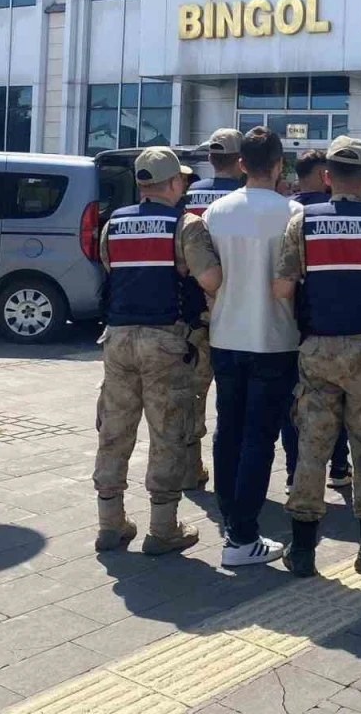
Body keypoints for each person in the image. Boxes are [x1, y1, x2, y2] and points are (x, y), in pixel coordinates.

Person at [273, 135, 361, 578]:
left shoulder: (302, 223)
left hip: (316, 348)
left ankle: (302, 551)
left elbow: (283, 287)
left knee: (312, 447)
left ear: (328, 176)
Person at [94, 148, 221, 556]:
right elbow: (211, 280)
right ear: (173, 183)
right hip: (165, 340)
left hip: (117, 339)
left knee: (114, 431)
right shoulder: (186, 225)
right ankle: (163, 529)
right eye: (181, 180)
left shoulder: (114, 223)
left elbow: (111, 270)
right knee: (167, 432)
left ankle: (110, 524)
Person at [201, 127, 300, 567]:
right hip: (276, 339)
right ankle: (242, 536)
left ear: (241, 164)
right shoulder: (293, 213)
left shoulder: (215, 212)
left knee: (229, 431)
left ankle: (231, 523)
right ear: (279, 165)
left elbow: (207, 278)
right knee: (260, 437)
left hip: (225, 336)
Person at [280, 147, 352, 492]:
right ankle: (338, 466)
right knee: (338, 401)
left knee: (296, 403)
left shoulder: (289, 212)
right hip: (337, 324)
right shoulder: (338, 212)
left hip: (292, 325)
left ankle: (295, 474)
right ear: (325, 175)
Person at [179, 127, 245, 491]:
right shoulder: (243, 198)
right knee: (235, 397)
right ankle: (235, 471)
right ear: (241, 161)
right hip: (237, 310)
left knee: (194, 392)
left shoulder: (188, 195)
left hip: (194, 311)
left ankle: (191, 467)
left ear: (209, 158)